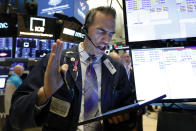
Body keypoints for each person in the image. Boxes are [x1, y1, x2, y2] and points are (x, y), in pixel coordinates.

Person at [8, 6, 136, 131]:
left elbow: (128, 110)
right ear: (85, 29)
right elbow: (16, 115)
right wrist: (44, 93)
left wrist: (125, 116)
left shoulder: (117, 69)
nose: (107, 40)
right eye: (101, 31)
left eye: (111, 34)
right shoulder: (55, 61)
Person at [121, 52, 143, 131]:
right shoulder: (120, 71)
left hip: (136, 102)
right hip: (125, 104)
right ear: (121, 59)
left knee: (138, 123)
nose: (127, 59)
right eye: (125, 57)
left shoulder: (136, 69)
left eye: (128, 57)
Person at [3, 65, 24, 131]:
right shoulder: (18, 80)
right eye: (22, 71)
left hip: (8, 106)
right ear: (18, 71)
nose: (22, 73)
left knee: (8, 126)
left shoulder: (10, 78)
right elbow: (23, 93)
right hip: (14, 108)